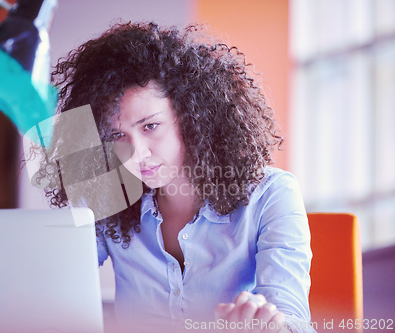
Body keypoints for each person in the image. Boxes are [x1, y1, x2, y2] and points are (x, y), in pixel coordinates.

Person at [37, 21, 315, 333]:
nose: (135, 153)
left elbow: (293, 321)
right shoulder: (108, 200)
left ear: (190, 113)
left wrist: (269, 326)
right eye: (117, 135)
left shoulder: (271, 195)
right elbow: (49, 286)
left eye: (149, 126)